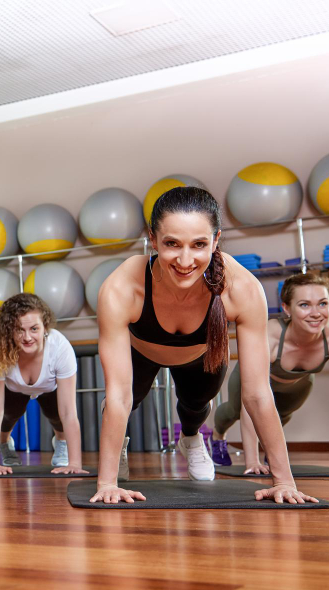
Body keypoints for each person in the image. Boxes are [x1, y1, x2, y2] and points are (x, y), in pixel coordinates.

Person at [90, 187, 317, 505]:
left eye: (198, 244)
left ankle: (192, 439)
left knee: (195, 408)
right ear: (153, 241)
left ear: (216, 240)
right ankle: (118, 449)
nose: (185, 260)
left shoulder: (242, 289)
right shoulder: (121, 287)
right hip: (140, 352)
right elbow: (118, 394)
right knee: (127, 403)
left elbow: (256, 393)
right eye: (172, 244)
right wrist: (107, 483)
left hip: (202, 355)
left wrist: (284, 482)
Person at [212, 272, 329, 472]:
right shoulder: (270, 336)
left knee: (281, 414)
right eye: (304, 305)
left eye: (323, 303)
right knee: (233, 411)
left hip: (298, 384)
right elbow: (251, 402)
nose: (316, 313)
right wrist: (252, 462)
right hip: (253, 379)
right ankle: (217, 437)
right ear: (286, 308)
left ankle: (271, 449)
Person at [0, 293, 89, 475]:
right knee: (7, 418)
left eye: (34, 329)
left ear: (45, 327)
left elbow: (69, 412)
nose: (27, 337)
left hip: (49, 388)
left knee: (58, 417)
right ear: (9, 330)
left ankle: (61, 443)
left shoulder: (60, 348)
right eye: (19, 330)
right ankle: (4, 444)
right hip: (14, 388)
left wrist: (75, 463)